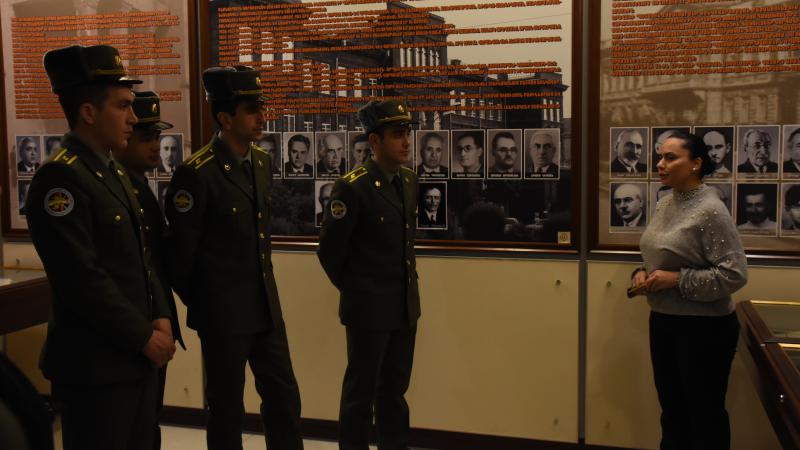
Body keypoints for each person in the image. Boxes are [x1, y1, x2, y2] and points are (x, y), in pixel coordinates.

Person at [26, 44, 175, 450]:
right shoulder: (60, 180)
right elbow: (82, 279)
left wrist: (161, 315)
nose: (133, 117)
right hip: (95, 367)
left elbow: (142, 257)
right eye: (122, 106)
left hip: (134, 360)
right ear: (89, 112)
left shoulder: (113, 172)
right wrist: (143, 336)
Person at [166, 66, 303, 450]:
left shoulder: (260, 162)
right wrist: (211, 304)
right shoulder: (197, 174)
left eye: (261, 107)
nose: (261, 116)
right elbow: (179, 258)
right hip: (223, 315)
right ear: (226, 118)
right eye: (251, 110)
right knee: (226, 410)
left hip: (265, 308)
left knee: (284, 398)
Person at [630, 130, 747, 450]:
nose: (660, 164)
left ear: (695, 164)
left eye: (670, 158)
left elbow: (734, 274)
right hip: (664, 321)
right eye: (660, 157)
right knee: (673, 415)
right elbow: (660, 255)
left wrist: (677, 280)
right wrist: (642, 273)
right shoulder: (665, 202)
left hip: (704, 329)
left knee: (704, 418)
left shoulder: (711, 210)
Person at [318, 99, 420, 450]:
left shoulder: (408, 181)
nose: (406, 141)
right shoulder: (353, 187)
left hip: (404, 306)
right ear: (375, 141)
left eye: (407, 133)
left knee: (395, 392)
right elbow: (330, 251)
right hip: (368, 308)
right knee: (360, 396)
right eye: (397, 134)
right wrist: (359, 290)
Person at [111, 91, 185, 450]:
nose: (155, 145)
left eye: (157, 137)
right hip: (130, 333)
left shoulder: (139, 186)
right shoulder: (118, 189)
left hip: (154, 324)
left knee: (147, 426)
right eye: (145, 137)